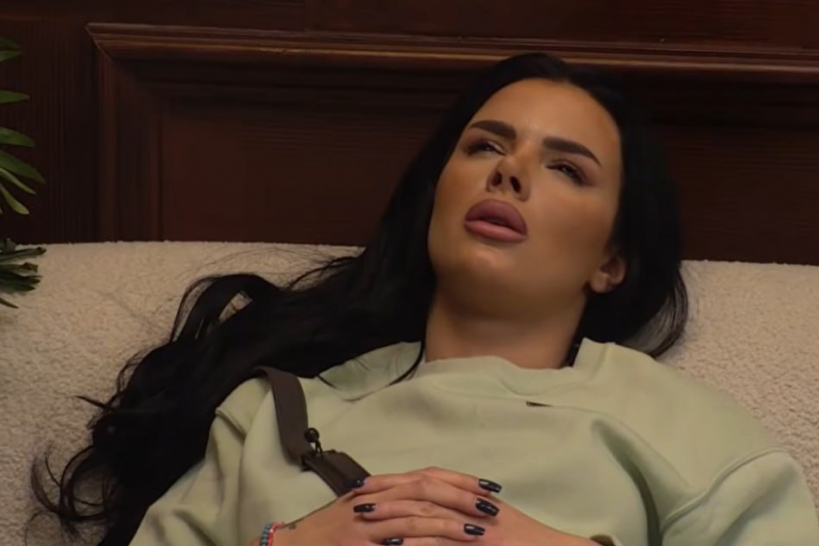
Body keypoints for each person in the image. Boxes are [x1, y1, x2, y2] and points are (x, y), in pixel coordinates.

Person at [35, 53, 819, 546]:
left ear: (610, 262)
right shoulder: (269, 417)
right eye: (484, 145)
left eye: (566, 168)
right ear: (435, 198)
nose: (507, 171)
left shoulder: (682, 429)